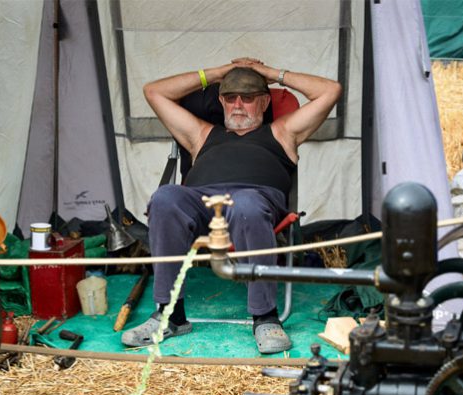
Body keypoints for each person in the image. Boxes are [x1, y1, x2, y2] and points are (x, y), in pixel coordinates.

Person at [121, 58, 341, 354]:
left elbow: (331, 90)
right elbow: (154, 92)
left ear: (264, 102)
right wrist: (217, 74)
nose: (237, 105)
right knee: (165, 198)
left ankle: (265, 316)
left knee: (246, 203)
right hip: (202, 204)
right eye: (229, 97)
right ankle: (170, 316)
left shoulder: (281, 132)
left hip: (255, 201)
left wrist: (272, 75)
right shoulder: (202, 134)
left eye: (248, 98)